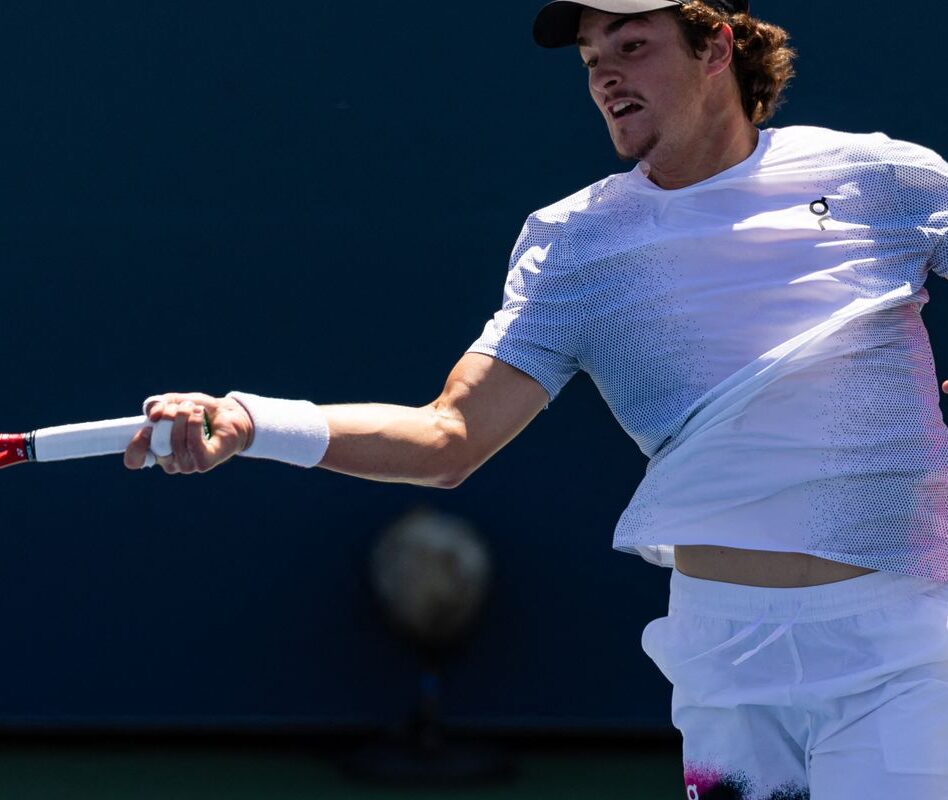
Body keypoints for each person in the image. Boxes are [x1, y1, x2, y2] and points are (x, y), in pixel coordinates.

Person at [125, 1, 948, 796]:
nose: (606, 78)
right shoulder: (577, 243)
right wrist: (251, 420)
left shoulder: (881, 178)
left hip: (902, 641)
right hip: (723, 655)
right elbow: (449, 438)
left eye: (632, 46)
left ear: (718, 47)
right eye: (593, 60)